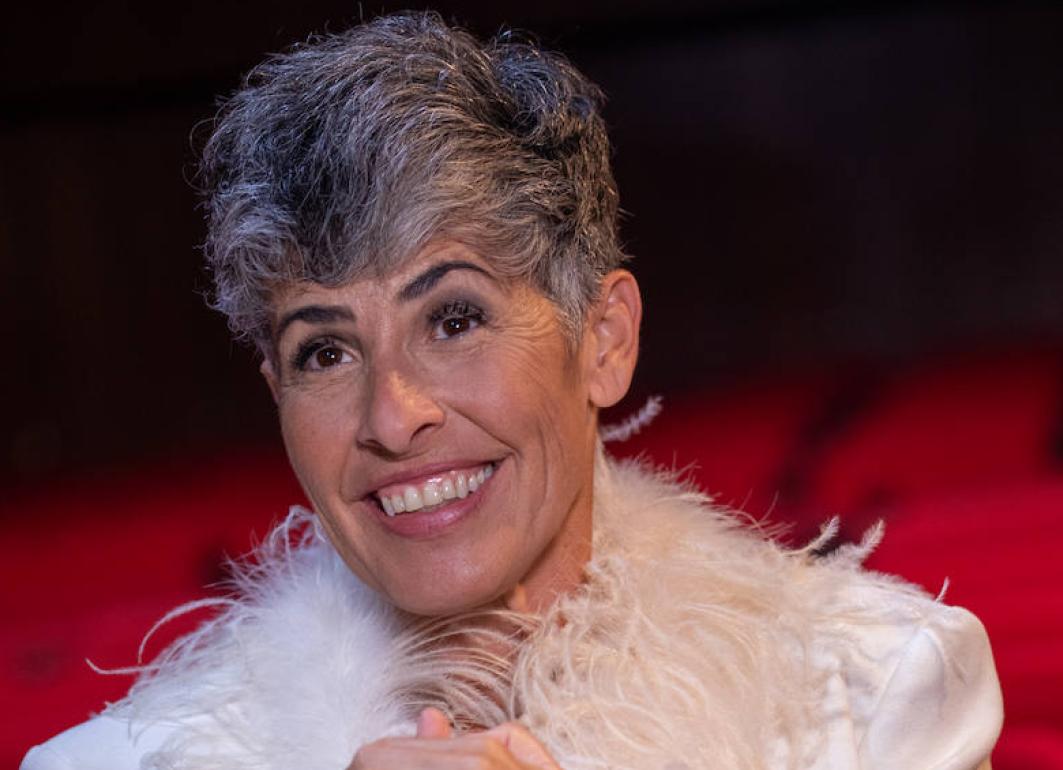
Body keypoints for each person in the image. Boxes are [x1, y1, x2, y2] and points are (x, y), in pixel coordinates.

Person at [22, 12, 1002, 770]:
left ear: (604, 340)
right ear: (273, 387)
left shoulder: (872, 695)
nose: (392, 415)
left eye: (454, 320)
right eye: (325, 352)